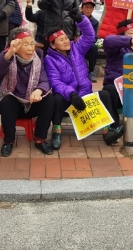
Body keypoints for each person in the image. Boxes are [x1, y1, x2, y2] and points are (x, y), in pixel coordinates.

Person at [45, 9, 124, 148]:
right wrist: (71, 94)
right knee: (56, 98)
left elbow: (89, 36)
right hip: (69, 99)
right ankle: (57, 131)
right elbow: (55, 82)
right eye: (61, 40)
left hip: (86, 96)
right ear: (53, 44)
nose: (65, 41)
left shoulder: (77, 49)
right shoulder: (49, 59)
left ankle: (109, 132)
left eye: (66, 38)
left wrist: (81, 20)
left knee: (105, 95)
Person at [0, 28, 55, 157]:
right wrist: (10, 52)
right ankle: (8, 141)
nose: (30, 48)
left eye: (31, 44)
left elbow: (44, 80)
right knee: (7, 101)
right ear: (15, 44)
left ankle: (40, 138)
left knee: (49, 99)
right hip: (14, 104)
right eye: (25, 44)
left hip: (32, 102)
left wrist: (38, 90)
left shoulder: (38, 56)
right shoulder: (8, 55)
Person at [80, 0, 99, 82]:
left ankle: (91, 71)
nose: (88, 10)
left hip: (87, 44)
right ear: (82, 8)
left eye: (90, 8)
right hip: (77, 43)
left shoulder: (95, 22)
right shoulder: (76, 18)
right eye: (86, 7)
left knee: (93, 47)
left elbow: (94, 37)